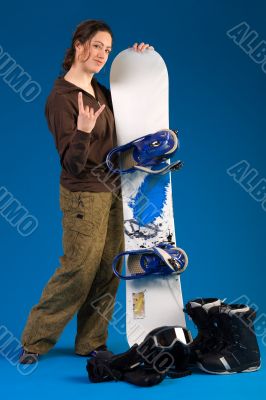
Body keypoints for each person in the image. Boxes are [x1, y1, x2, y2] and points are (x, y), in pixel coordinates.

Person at [19, 19, 154, 364]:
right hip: (84, 194)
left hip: (114, 190)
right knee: (79, 269)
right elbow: (72, 164)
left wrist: (141, 62)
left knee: (109, 268)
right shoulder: (60, 98)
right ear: (78, 45)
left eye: (108, 50)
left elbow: (131, 112)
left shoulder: (100, 91)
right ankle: (35, 340)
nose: (103, 54)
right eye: (97, 46)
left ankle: (92, 341)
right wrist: (82, 131)